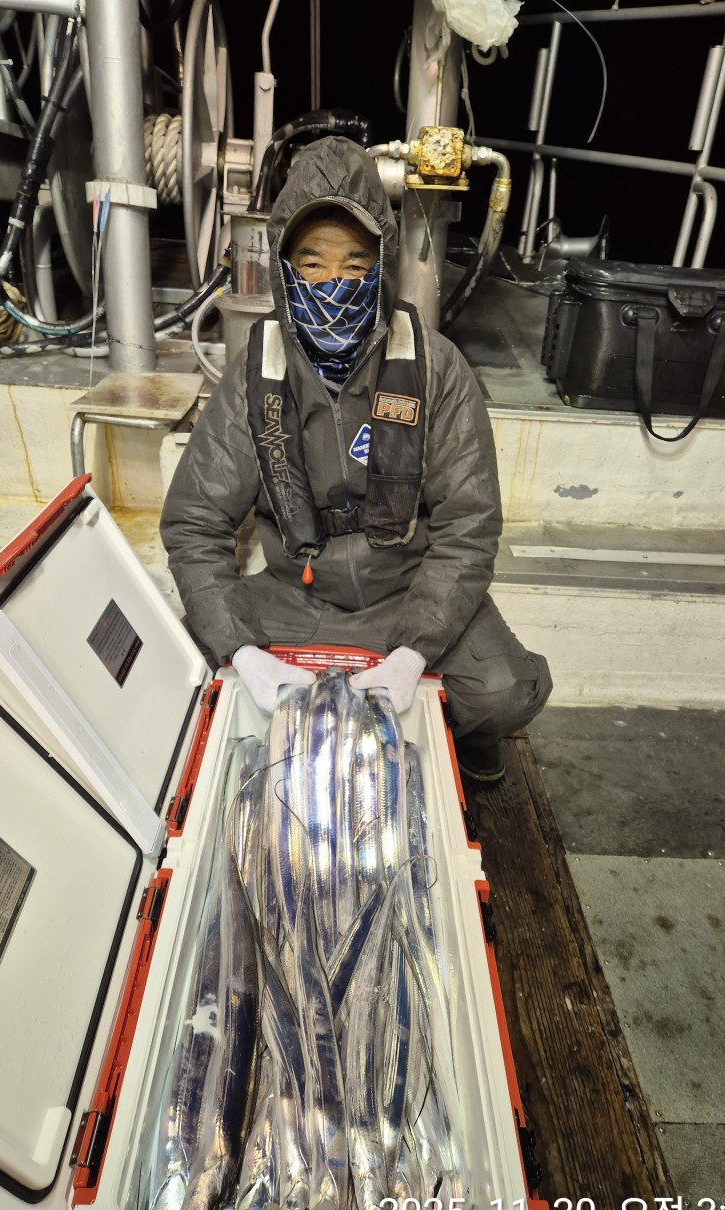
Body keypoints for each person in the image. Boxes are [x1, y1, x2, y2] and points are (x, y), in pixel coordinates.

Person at [161, 135, 551, 782]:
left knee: (505, 691)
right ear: (284, 265)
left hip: (406, 589)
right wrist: (243, 653)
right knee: (176, 668)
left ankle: (463, 730)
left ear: (382, 264)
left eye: (354, 263)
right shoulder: (256, 369)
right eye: (311, 262)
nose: (332, 282)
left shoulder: (435, 365)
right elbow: (194, 520)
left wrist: (413, 651)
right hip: (295, 591)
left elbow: (469, 524)